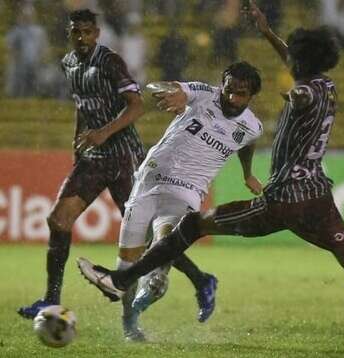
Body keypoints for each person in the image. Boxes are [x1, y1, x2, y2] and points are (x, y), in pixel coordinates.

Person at [77, 1, 344, 351]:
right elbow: (299, 66)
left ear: (301, 64)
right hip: (319, 199)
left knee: (193, 224)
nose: (291, 65)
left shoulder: (308, 91)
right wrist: (267, 32)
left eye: (294, 61)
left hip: (283, 199)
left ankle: (120, 279)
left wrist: (293, 96)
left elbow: (302, 92)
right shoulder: (328, 83)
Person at [17, 10, 217, 342]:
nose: (81, 37)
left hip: (124, 157)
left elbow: (136, 105)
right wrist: (79, 140)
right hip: (94, 157)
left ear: (96, 33)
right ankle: (51, 298)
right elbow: (84, 106)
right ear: (70, 34)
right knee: (58, 221)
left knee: (142, 240)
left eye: (86, 31)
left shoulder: (110, 61)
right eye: (75, 32)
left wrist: (103, 132)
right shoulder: (69, 63)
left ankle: (200, 280)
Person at [117, 61, 263, 341]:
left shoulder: (252, 127)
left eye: (240, 94)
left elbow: (247, 143)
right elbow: (173, 89)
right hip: (149, 179)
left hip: (187, 189)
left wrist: (248, 173)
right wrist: (174, 93)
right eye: (228, 90)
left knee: (163, 246)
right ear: (222, 85)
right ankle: (129, 326)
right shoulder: (204, 93)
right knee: (127, 266)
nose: (231, 98)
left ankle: (186, 282)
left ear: (251, 95)